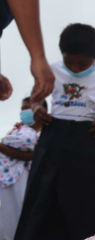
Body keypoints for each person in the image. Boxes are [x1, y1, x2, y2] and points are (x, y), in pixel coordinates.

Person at [15, 23, 95, 240]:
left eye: (82, 64)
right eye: (70, 62)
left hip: (89, 137)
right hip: (53, 135)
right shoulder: (52, 69)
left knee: (84, 205)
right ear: (62, 55)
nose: (75, 69)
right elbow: (35, 96)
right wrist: (37, 108)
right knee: (40, 200)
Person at [0, 97, 46, 240]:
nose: (24, 112)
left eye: (28, 108)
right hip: (8, 178)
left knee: (14, 218)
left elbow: (29, 153)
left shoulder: (43, 134)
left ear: (42, 111)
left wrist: (2, 146)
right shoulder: (20, 129)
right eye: (22, 109)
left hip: (20, 179)